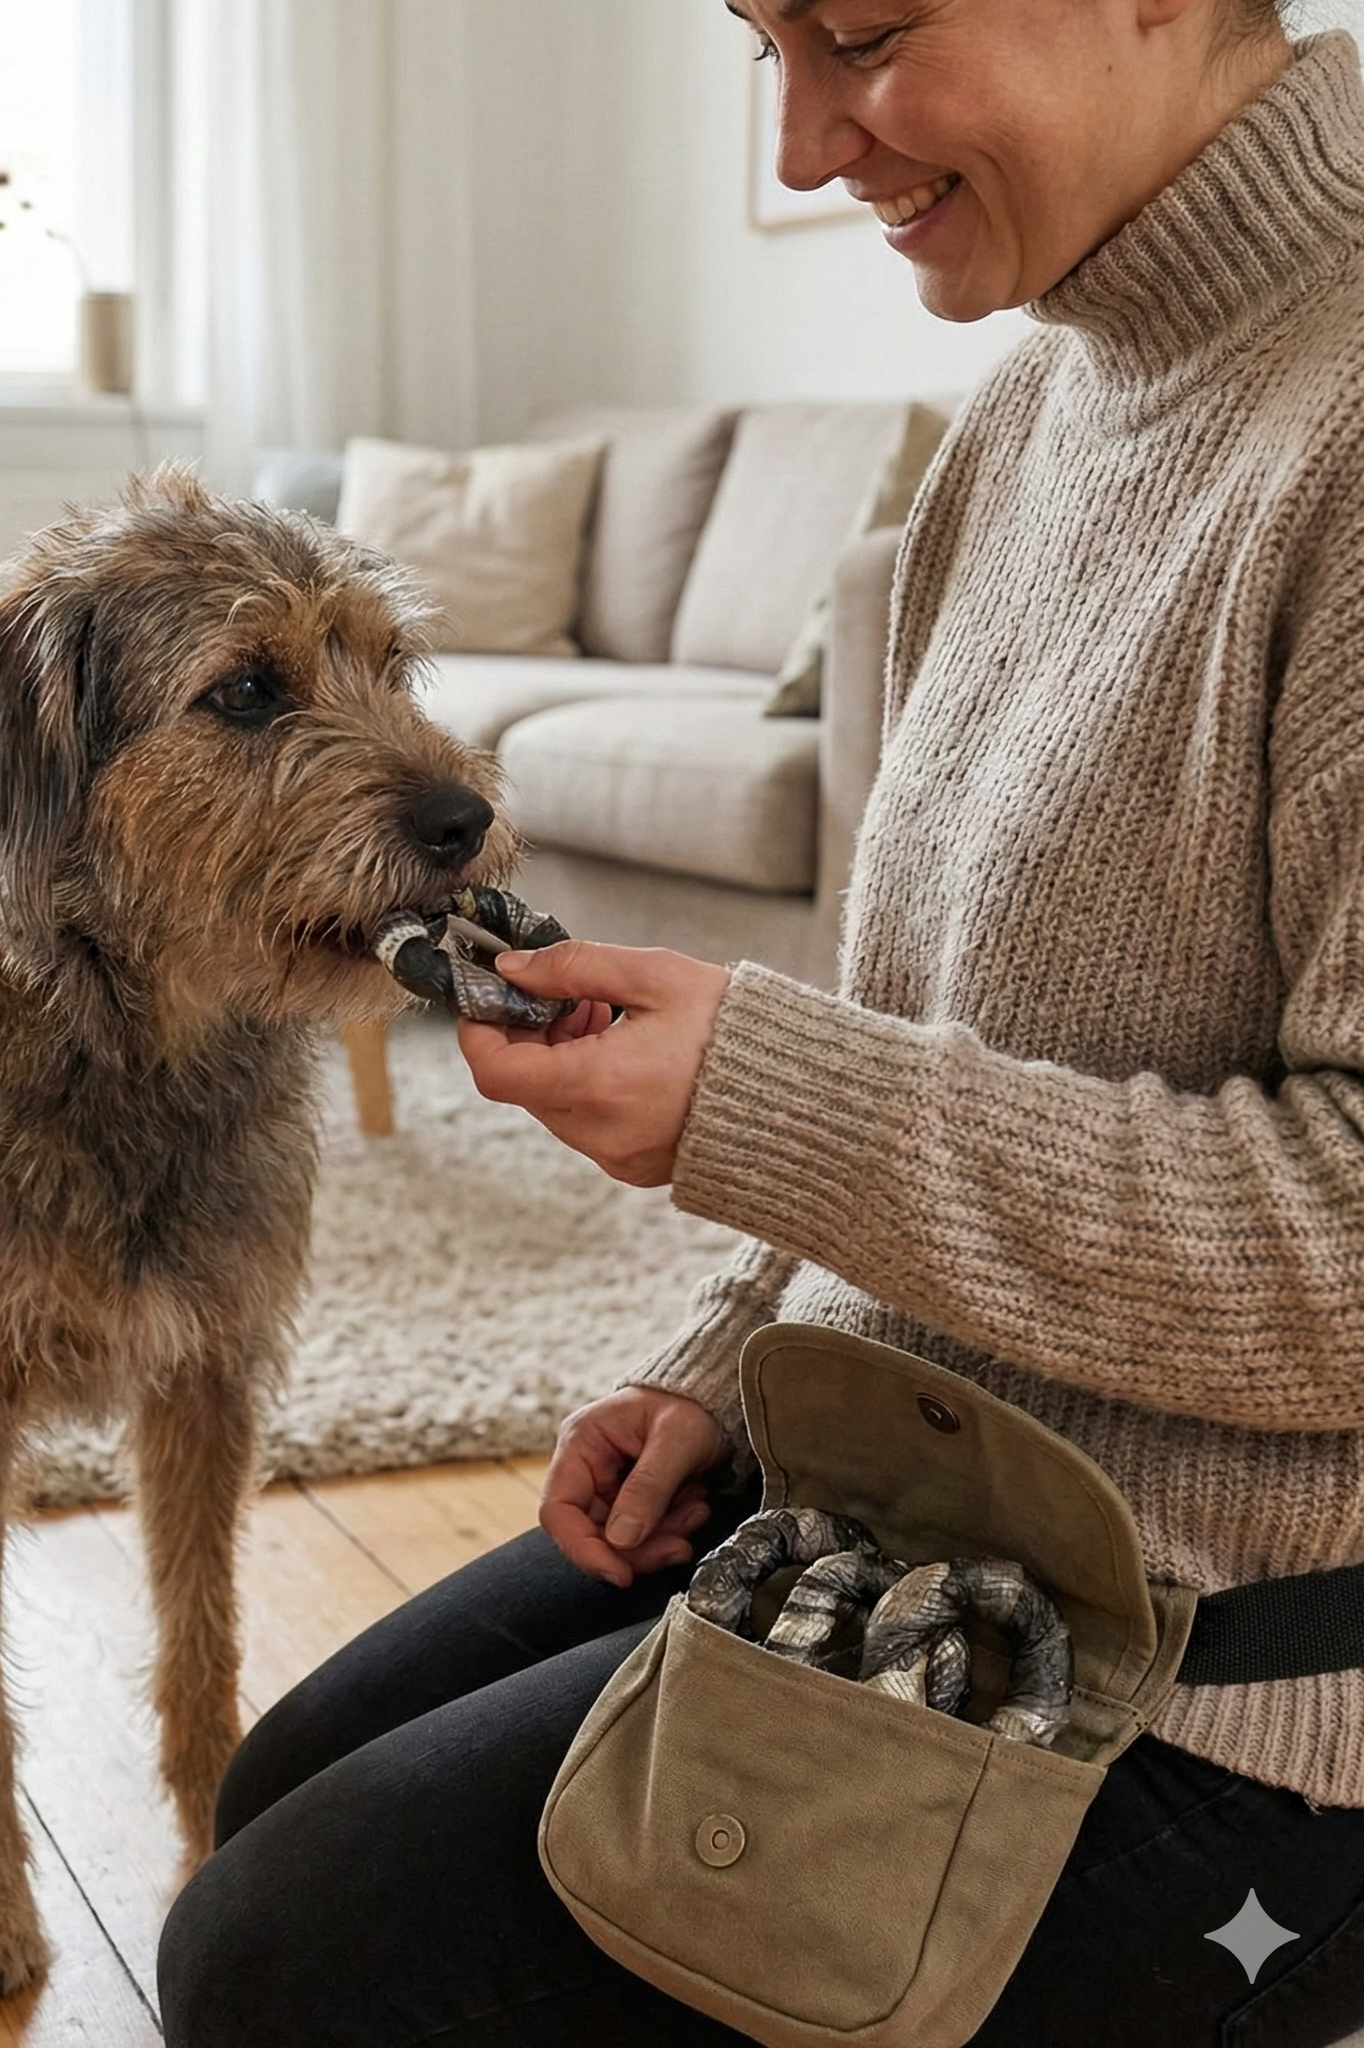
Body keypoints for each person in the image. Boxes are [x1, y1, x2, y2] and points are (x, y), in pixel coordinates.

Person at [157, 0, 1364, 2039]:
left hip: (1235, 1674)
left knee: (287, 1969)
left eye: (863, 31)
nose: (805, 147)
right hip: (929, 1484)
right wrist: (734, 1354)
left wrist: (761, 1095)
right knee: (274, 1802)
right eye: (762, 48)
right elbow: (926, 1021)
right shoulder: (1027, 416)